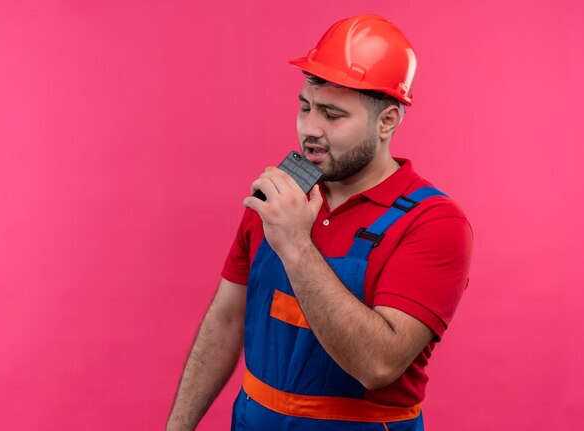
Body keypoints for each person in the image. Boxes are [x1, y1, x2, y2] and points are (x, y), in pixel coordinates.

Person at [167, 14, 473, 431]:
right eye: (305, 107)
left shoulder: (434, 223)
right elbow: (226, 320)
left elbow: (378, 363)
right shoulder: (278, 196)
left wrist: (294, 243)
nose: (310, 129)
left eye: (332, 115)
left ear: (387, 121)